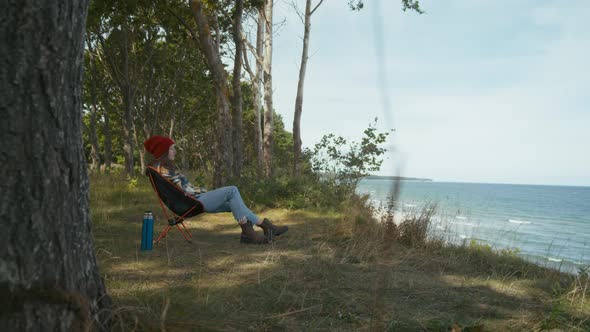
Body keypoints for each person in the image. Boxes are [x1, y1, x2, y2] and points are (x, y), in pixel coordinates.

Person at [143, 135, 288, 244]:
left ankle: (251, 232)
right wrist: (203, 191)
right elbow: (185, 191)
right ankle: (261, 229)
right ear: (164, 151)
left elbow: (181, 190)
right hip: (193, 202)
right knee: (232, 190)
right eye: (172, 148)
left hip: (190, 202)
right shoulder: (163, 170)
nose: (175, 151)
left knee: (233, 202)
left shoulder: (160, 169)